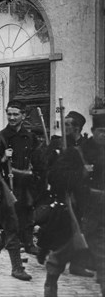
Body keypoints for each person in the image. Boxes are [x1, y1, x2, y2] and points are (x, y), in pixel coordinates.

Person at [0, 100, 45, 281]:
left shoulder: (31, 138)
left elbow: (39, 164)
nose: (12, 117)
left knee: (21, 224)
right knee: (11, 225)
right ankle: (17, 267)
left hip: (24, 188)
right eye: (9, 113)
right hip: (4, 187)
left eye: (16, 114)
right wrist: (1, 158)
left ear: (24, 115)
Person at [44, 106, 105, 296]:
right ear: (94, 131)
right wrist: (81, 175)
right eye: (102, 132)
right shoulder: (77, 152)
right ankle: (53, 271)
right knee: (68, 249)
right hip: (80, 212)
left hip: (102, 214)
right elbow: (54, 176)